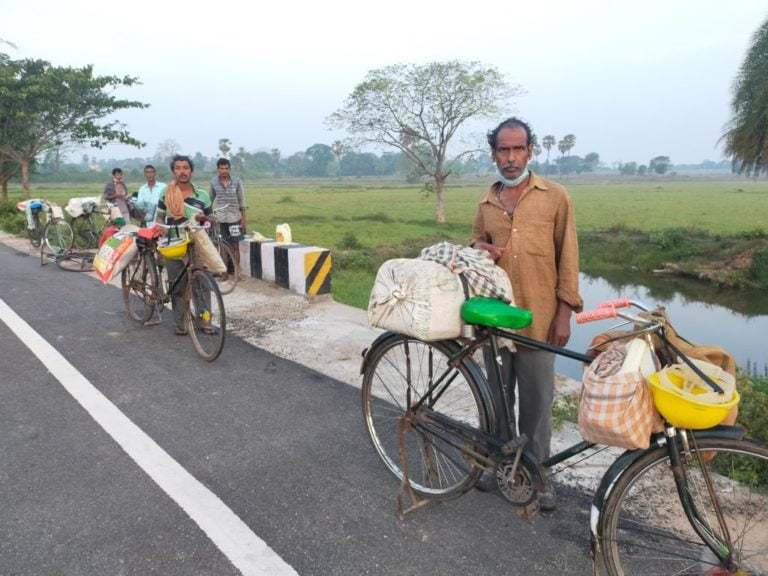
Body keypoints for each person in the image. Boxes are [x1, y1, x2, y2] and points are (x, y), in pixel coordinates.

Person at [470, 117, 583, 511]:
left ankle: (537, 475)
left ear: (530, 152)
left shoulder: (555, 197)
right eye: (504, 150)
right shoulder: (487, 203)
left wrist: (564, 314)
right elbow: (475, 249)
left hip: (538, 321)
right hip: (496, 322)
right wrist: (480, 250)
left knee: (537, 405)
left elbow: (568, 259)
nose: (511, 157)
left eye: (518, 149)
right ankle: (496, 463)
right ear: (494, 154)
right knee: (496, 398)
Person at [155, 155, 214, 335]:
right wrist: (161, 228)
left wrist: (206, 219)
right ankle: (181, 323)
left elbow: (211, 220)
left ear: (191, 171)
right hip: (175, 245)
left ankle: (205, 321)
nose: (182, 171)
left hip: (197, 245)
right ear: (174, 171)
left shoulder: (202, 196)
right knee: (178, 285)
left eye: (186, 167)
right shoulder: (166, 193)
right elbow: (160, 216)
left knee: (202, 285)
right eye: (178, 168)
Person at [209, 157, 247, 270]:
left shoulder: (237, 181)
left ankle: (236, 271)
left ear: (230, 169)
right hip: (220, 219)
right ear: (218, 169)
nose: (224, 171)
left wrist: (244, 219)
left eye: (226, 168)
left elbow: (242, 201)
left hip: (235, 218)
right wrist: (208, 217)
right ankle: (224, 272)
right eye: (222, 168)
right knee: (223, 246)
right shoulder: (214, 182)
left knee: (235, 246)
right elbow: (209, 200)